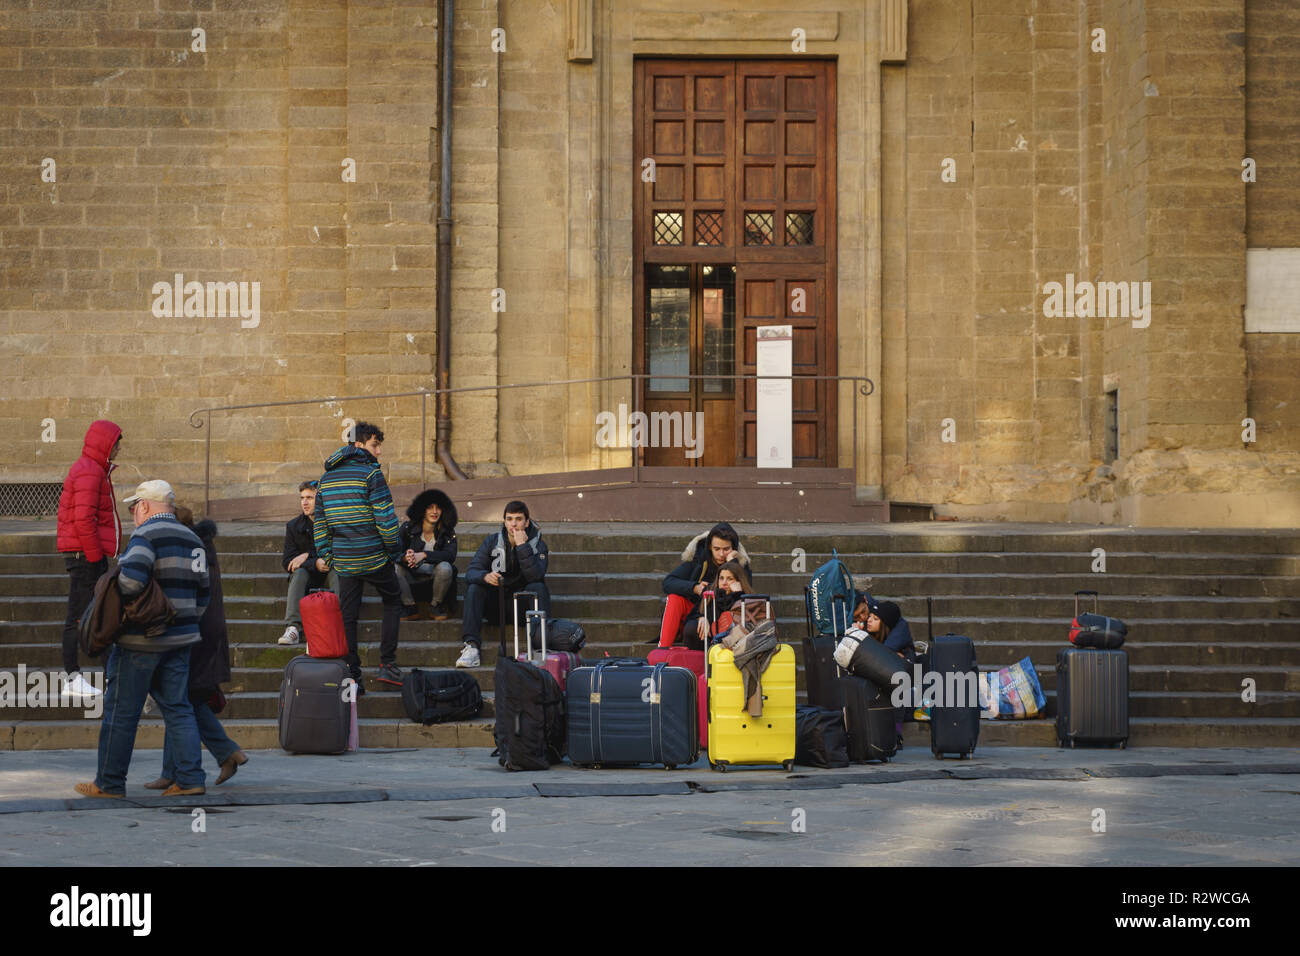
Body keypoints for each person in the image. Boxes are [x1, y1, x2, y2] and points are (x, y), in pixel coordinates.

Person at [75, 480, 209, 798]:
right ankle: (190, 780)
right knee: (178, 708)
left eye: (134, 507)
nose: (134, 513)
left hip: (140, 643)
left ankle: (108, 783)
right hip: (182, 640)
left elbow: (132, 581)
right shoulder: (193, 538)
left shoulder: (145, 535)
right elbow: (204, 593)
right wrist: (184, 623)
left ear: (145, 506)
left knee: (122, 712)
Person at [147, 506, 248, 789]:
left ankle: (226, 751)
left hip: (196, 630)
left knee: (180, 698)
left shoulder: (191, 548)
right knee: (178, 697)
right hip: (202, 628)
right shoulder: (200, 546)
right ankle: (174, 770)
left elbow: (191, 591)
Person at [312, 422, 404, 691]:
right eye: (375, 445)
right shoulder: (371, 474)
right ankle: (387, 663)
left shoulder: (326, 479)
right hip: (374, 555)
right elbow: (386, 519)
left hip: (345, 560)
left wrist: (328, 556)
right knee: (394, 600)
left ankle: (353, 676)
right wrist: (393, 551)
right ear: (359, 445)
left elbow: (320, 522)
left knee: (348, 615)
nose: (379, 452)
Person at [55, 420, 123, 700]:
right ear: (106, 444)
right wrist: (96, 560)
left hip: (85, 554)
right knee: (79, 617)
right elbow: (84, 520)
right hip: (85, 556)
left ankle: (112, 676)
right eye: (117, 443)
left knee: (98, 616)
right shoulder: (90, 472)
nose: (119, 449)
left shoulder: (92, 469)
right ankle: (72, 676)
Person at [456, 500, 549, 668]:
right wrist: (485, 576)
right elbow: (471, 572)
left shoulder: (538, 545)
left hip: (521, 608)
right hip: (496, 604)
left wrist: (522, 547)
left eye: (519, 519)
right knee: (474, 587)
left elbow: (536, 576)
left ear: (527, 522)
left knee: (538, 588)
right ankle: (472, 647)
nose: (513, 523)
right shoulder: (491, 541)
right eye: (509, 519)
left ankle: (538, 646)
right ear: (504, 521)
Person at [659, 522, 752, 650]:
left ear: (734, 548)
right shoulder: (699, 560)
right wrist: (695, 588)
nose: (721, 554)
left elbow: (747, 593)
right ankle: (663, 650)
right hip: (697, 611)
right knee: (675, 598)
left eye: (726, 549)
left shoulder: (739, 563)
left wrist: (733, 563)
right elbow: (668, 582)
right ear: (709, 546)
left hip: (727, 614)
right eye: (717, 549)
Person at [278, 480, 339, 645]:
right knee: (297, 573)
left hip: (331, 570)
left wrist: (307, 555)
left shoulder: (333, 522)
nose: (304, 502)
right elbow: (288, 562)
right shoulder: (293, 526)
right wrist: (314, 562)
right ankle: (293, 628)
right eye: (302, 498)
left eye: (310, 498)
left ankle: (337, 626)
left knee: (339, 572)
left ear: (320, 500)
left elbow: (340, 549)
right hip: (309, 575)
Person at [396, 488, 459, 621]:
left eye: (438, 508)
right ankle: (409, 607)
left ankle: (435, 605)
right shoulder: (408, 528)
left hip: (436, 582)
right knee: (394, 568)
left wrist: (424, 555)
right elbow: (394, 551)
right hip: (411, 578)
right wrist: (405, 557)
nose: (434, 512)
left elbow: (450, 555)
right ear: (422, 509)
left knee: (445, 567)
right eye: (430, 507)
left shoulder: (447, 531)